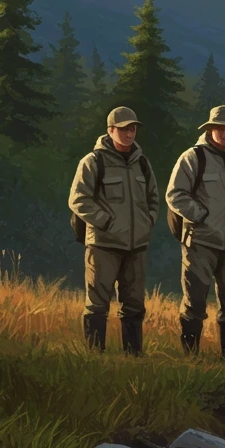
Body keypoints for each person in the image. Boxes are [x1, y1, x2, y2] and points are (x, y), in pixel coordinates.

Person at [166, 105, 225, 359]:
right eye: (221, 128)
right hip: (200, 243)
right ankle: (190, 355)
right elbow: (175, 195)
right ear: (210, 129)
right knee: (194, 302)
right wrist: (201, 216)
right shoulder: (192, 158)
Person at [67, 106, 159, 355]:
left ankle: (134, 355)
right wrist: (106, 222)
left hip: (136, 246)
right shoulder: (93, 161)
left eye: (133, 129)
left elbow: (153, 199)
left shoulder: (142, 163)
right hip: (103, 245)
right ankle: (95, 354)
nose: (129, 134)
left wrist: (147, 221)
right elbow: (78, 200)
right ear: (110, 130)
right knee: (98, 304)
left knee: (135, 305)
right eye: (123, 129)